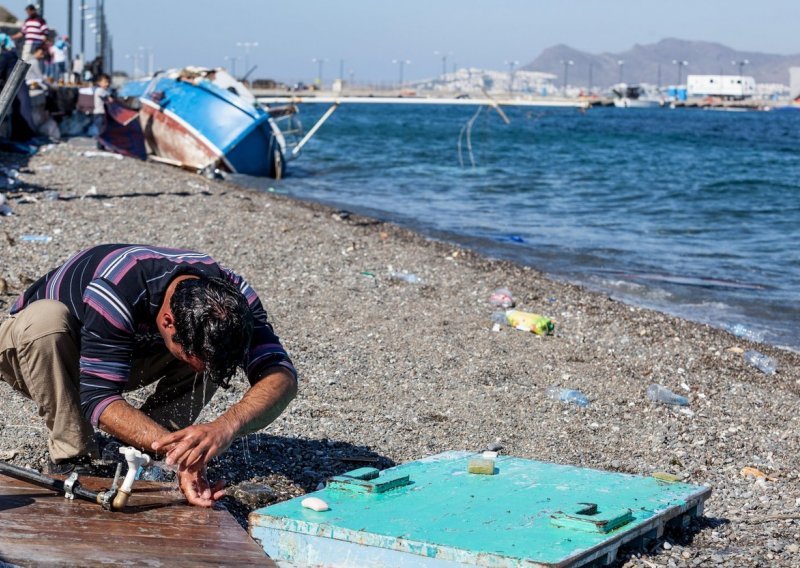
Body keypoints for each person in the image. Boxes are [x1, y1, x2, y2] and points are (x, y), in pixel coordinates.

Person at [0, 245, 298, 507]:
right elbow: (97, 397)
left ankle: (151, 449)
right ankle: (74, 455)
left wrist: (226, 427)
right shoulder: (117, 287)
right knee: (47, 322)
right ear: (168, 321)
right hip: (40, 354)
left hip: (126, 353)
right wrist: (184, 456)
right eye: (191, 358)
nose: (201, 373)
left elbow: (282, 376)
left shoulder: (234, 298)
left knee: (210, 359)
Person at [91, 73, 110, 143]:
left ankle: (102, 144)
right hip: (99, 114)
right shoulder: (100, 90)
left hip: (101, 114)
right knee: (101, 130)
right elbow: (108, 98)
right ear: (99, 83)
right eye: (105, 82)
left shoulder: (103, 90)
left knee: (102, 130)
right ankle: (101, 145)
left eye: (108, 82)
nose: (107, 84)